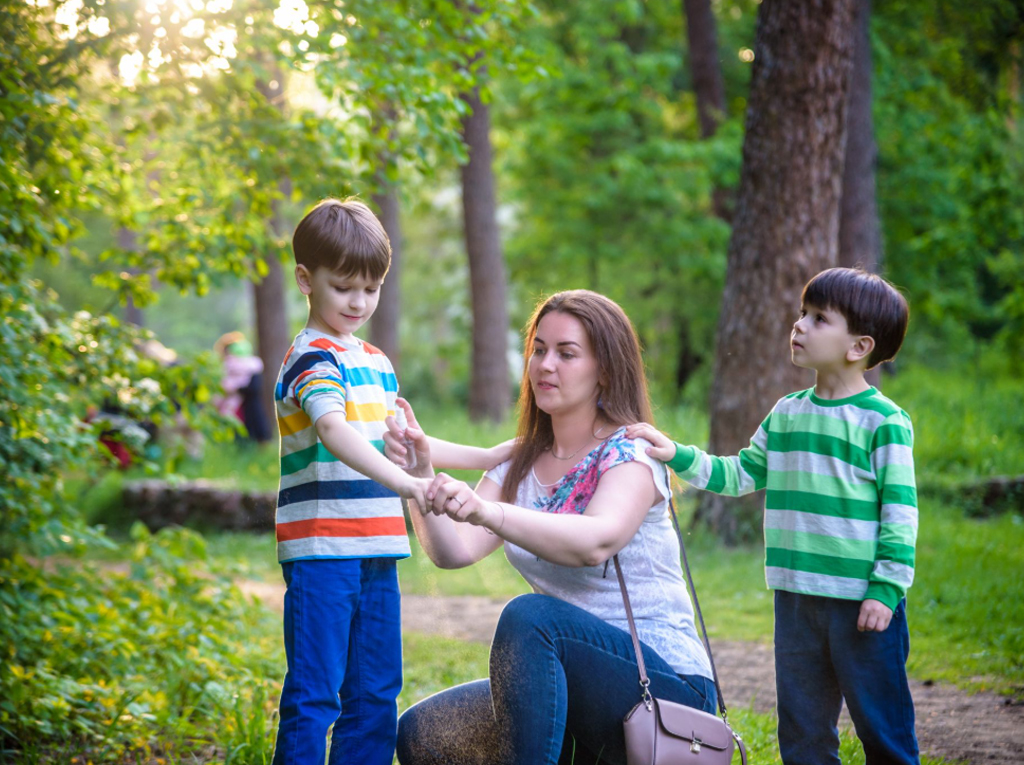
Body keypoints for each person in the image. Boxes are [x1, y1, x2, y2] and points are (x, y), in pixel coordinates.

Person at [385, 289, 717, 765]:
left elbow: (596, 541)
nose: (545, 365)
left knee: (531, 618)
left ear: (604, 369)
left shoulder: (631, 452)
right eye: (539, 349)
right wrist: (417, 477)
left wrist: (488, 511)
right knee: (426, 733)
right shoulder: (520, 461)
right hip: (571, 680)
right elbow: (453, 551)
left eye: (566, 353)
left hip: (661, 690)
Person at [627, 267, 919, 765]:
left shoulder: (884, 422)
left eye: (819, 318)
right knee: (803, 732)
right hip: (796, 601)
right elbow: (739, 473)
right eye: (802, 314)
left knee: (883, 728)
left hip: (862, 606)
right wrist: (673, 452)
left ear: (858, 347)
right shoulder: (787, 412)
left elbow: (900, 515)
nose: (799, 326)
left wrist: (886, 589)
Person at [271, 198, 510, 765]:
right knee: (314, 695)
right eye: (344, 287)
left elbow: (407, 442)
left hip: (379, 548)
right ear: (306, 279)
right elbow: (335, 431)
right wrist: (405, 484)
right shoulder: (310, 360)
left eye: (371, 289)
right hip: (323, 550)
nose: (359, 302)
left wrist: (490, 452)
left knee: (376, 693)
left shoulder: (375, 361)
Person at [214, 331, 271, 442]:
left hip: (248, 408)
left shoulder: (251, 367)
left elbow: (253, 388)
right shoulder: (228, 367)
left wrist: (235, 389)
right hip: (234, 406)